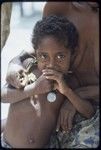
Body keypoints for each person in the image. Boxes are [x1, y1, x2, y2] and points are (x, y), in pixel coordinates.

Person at [1, 2, 99, 148]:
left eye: (60, 57)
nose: (51, 64)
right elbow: (3, 95)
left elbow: (89, 112)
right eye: (44, 56)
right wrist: (33, 88)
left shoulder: (69, 83)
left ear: (72, 55)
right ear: (36, 52)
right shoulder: (29, 68)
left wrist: (68, 93)